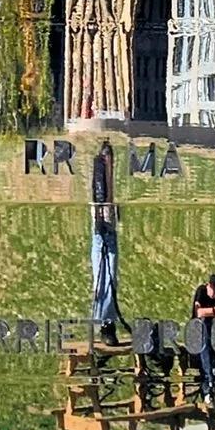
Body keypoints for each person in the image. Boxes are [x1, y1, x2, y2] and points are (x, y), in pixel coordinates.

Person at [89, 141, 121, 343]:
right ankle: (103, 323)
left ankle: (108, 324)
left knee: (110, 281)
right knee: (100, 282)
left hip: (110, 235)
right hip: (100, 236)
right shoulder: (98, 175)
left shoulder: (110, 177)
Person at [190, 273, 215, 399]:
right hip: (198, 328)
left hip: (211, 328)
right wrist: (213, 311)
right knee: (205, 347)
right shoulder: (201, 291)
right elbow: (199, 312)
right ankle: (208, 378)